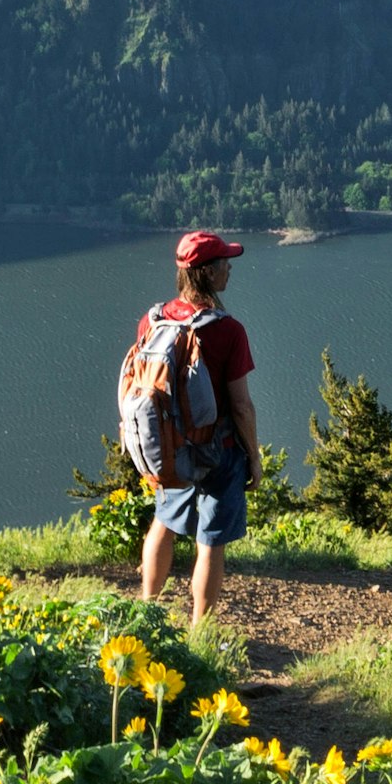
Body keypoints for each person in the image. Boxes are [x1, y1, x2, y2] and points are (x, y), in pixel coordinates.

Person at [134, 229, 259, 623]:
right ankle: (199, 630)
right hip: (218, 451)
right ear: (207, 272)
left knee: (163, 525)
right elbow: (240, 405)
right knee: (210, 545)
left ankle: (147, 610)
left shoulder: (153, 320)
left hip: (173, 447)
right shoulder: (227, 330)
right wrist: (253, 457)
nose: (230, 270)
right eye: (224, 263)